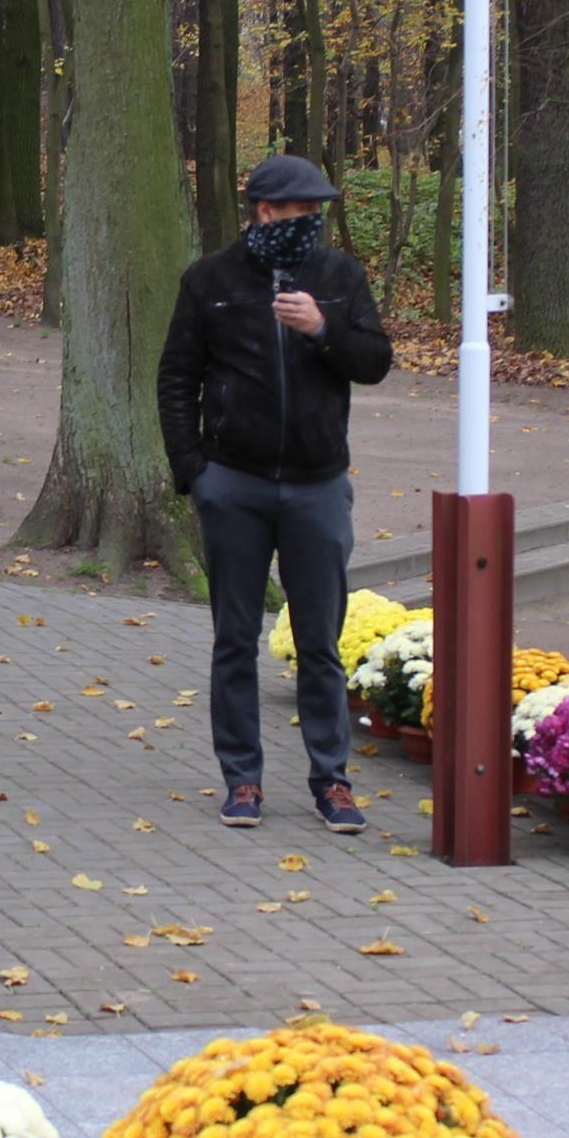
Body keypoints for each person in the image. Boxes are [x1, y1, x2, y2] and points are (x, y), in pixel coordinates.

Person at [157, 153, 394, 835]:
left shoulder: (339, 276)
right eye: (301, 210)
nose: (312, 221)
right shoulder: (211, 279)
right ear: (265, 210)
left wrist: (323, 329)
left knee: (320, 640)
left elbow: (374, 362)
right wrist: (195, 472)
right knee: (234, 637)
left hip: (319, 485)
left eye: (318, 211)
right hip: (234, 483)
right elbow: (178, 378)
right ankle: (243, 779)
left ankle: (332, 780)